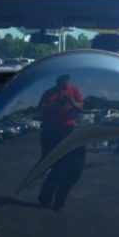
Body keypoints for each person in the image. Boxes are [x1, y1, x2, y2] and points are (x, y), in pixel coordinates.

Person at [36, 74, 86, 210]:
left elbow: (81, 107)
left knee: (70, 169)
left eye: (67, 80)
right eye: (63, 80)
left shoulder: (73, 90)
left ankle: (57, 200)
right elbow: (40, 108)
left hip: (67, 130)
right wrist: (54, 105)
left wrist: (73, 103)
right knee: (55, 166)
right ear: (57, 82)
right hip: (51, 132)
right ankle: (46, 199)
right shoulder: (49, 93)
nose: (65, 83)